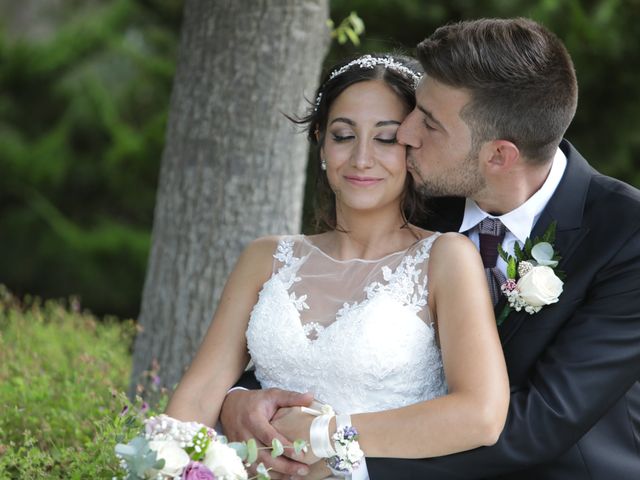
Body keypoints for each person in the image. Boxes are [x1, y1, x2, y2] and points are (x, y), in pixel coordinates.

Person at [220, 18, 640, 480]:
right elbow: (323, 324)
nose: (405, 134)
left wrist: (339, 455)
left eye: (430, 124)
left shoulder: (625, 234)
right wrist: (241, 401)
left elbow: (539, 422)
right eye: (415, 109)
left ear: (499, 156)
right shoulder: (417, 198)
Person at [165, 53, 510, 479]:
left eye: (386, 139)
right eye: (344, 135)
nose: (362, 159)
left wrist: (330, 439)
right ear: (321, 142)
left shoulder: (446, 258)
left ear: (413, 148)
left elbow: (480, 414)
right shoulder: (266, 258)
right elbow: (196, 399)